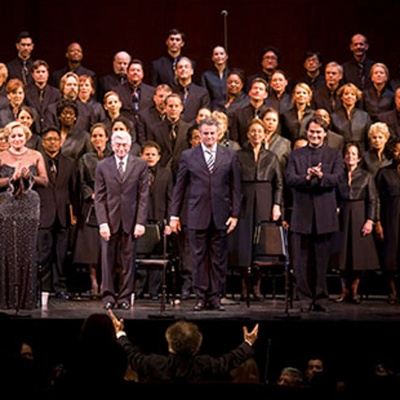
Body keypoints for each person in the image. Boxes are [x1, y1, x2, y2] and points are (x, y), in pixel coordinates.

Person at [170, 117, 242, 311]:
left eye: (212, 133)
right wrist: (174, 216)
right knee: (199, 257)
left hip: (221, 214)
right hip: (196, 213)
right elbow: (179, 188)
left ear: (218, 134)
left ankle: (216, 296)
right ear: (199, 135)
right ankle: (201, 296)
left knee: (218, 258)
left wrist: (235, 214)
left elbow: (236, 187)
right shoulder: (188, 156)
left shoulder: (230, 155)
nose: (209, 137)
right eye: (205, 133)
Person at [285, 116, 343, 312]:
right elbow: (290, 179)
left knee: (321, 261)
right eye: (311, 132)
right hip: (302, 214)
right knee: (301, 262)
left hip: (324, 215)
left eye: (318, 132)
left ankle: (320, 298)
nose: (315, 135)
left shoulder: (334, 154)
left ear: (325, 134)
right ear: (306, 133)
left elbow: (337, 178)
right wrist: (307, 177)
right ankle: (304, 299)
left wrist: (322, 177)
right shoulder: (296, 155)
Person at [108, 308, 259, 383]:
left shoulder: (156, 364)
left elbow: (131, 355)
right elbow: (229, 361)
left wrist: (120, 333)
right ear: (198, 345)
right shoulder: (204, 365)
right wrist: (248, 343)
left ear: (169, 344)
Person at [228, 118, 283, 301]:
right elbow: (233, 183)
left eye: (260, 131)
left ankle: (257, 287)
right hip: (244, 200)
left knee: (261, 244)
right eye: (253, 131)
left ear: (265, 134)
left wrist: (276, 205)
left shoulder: (272, 157)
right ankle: (244, 287)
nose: (256, 134)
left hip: (265, 200)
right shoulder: (238, 155)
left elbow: (279, 184)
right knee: (244, 244)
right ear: (247, 134)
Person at [94, 129, 149, 310]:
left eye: (124, 145)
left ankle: (125, 297)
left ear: (130, 146)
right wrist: (102, 223)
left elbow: (143, 196)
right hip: (109, 221)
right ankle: (108, 296)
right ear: (111, 145)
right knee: (107, 261)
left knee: (128, 261)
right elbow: (100, 198)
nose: (121, 148)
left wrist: (140, 222)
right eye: (117, 145)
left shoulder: (140, 165)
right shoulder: (102, 166)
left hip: (131, 221)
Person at [0, 121, 48, 310]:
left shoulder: (35, 155)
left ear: (26, 136)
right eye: (13, 136)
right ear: (8, 138)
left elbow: (45, 180)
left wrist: (29, 177)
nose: (17, 139)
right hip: (7, 204)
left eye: (20, 135)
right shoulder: (2, 155)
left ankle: (26, 299)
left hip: (29, 205)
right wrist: (11, 178)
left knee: (27, 250)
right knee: (7, 250)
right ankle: (7, 299)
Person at [332, 141, 380, 304]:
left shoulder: (366, 176)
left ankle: (354, 291)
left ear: (359, 158)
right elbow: (333, 196)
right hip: (342, 216)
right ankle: (344, 290)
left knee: (358, 256)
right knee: (341, 255)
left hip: (359, 215)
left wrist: (370, 220)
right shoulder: (338, 175)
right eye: (347, 153)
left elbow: (373, 200)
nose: (350, 156)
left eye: (353, 154)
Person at [36, 126, 78, 300]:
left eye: (56, 139)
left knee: (61, 255)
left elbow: (74, 191)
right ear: (43, 142)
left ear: (61, 142)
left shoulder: (70, 162)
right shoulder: (36, 161)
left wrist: (74, 214)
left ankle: (59, 287)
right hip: (43, 214)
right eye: (49, 139)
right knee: (43, 254)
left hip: (62, 216)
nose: (53, 142)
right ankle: (41, 288)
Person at [73, 123, 112, 297]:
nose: (97, 139)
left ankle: (106, 282)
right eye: (94, 136)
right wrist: (92, 195)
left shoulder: (113, 157)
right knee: (90, 247)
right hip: (91, 206)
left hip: (111, 205)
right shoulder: (85, 159)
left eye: (100, 136)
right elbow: (81, 182)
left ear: (107, 138)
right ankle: (94, 281)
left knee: (107, 246)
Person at [134, 141, 173, 300]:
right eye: (147, 154)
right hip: (140, 220)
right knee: (140, 256)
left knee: (157, 257)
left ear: (159, 157)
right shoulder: (136, 173)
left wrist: (170, 222)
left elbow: (170, 198)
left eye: (153, 154)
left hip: (159, 219)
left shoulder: (166, 173)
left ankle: (154, 291)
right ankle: (138, 290)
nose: (150, 157)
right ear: (141, 156)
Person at [375, 139, 400, 304]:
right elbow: (376, 199)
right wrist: (377, 222)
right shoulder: (384, 173)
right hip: (391, 218)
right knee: (390, 256)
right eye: (397, 150)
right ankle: (392, 292)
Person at [147, 92, 191, 177]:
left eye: (176, 106)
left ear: (181, 108)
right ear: (165, 108)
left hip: (183, 171)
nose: (173, 109)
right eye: (170, 106)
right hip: (162, 172)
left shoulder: (188, 128)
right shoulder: (155, 129)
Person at [229, 77, 270, 146]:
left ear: (266, 95)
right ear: (249, 92)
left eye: (261, 89)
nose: (257, 91)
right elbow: (234, 139)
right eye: (255, 88)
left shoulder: (270, 114)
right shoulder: (239, 114)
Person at [331, 82, 372, 150]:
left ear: (356, 98)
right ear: (341, 97)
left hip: (360, 153)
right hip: (340, 152)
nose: (349, 96)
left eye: (353, 94)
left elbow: (368, 139)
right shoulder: (334, 116)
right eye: (346, 94)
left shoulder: (364, 116)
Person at [25, 59, 61, 131]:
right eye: (38, 72)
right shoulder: (26, 92)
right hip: (32, 130)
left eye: (43, 72)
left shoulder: (55, 93)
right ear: (33, 75)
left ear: (47, 74)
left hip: (50, 130)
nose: (41, 74)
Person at [173, 57, 210, 125]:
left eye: (186, 67)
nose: (183, 69)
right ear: (176, 72)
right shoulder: (171, 92)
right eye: (180, 67)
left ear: (192, 71)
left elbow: (204, 115)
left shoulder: (202, 93)